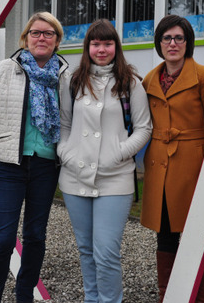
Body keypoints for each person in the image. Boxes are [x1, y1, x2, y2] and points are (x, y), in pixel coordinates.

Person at [0, 12, 70, 303]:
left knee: (36, 236)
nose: (41, 38)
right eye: (36, 32)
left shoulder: (65, 76)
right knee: (2, 240)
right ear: (25, 38)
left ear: (57, 41)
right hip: (8, 166)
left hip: (45, 166)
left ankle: (24, 295)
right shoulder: (3, 70)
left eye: (48, 33)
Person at [57, 19, 152, 303]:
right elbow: (63, 124)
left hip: (115, 178)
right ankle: (91, 299)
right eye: (95, 43)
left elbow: (144, 127)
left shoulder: (130, 83)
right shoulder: (73, 81)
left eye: (107, 43)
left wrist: (118, 154)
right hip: (75, 177)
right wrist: (67, 153)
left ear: (116, 46)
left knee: (106, 252)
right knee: (86, 249)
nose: (101, 49)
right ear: (87, 47)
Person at [140, 14, 204, 303]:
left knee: (199, 234)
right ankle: (169, 296)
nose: (173, 43)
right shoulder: (150, 79)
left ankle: (197, 297)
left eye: (179, 37)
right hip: (160, 168)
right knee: (165, 234)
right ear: (159, 43)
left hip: (194, 167)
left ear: (188, 42)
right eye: (167, 38)